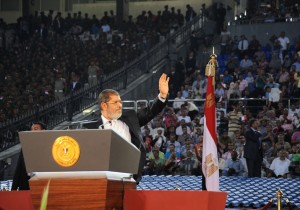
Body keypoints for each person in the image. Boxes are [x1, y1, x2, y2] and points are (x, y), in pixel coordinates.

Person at [88, 73, 169, 183]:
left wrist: (162, 96)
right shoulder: (90, 129)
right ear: (104, 105)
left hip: (128, 178)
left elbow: (150, 111)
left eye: (120, 101)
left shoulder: (130, 118)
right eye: (115, 102)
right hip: (101, 179)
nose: (120, 105)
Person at [11, 122, 46, 190]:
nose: (32, 131)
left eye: (35, 129)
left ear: (43, 131)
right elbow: (19, 167)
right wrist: (13, 188)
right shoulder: (25, 146)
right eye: (31, 129)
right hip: (25, 184)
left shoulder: (49, 147)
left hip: (42, 184)